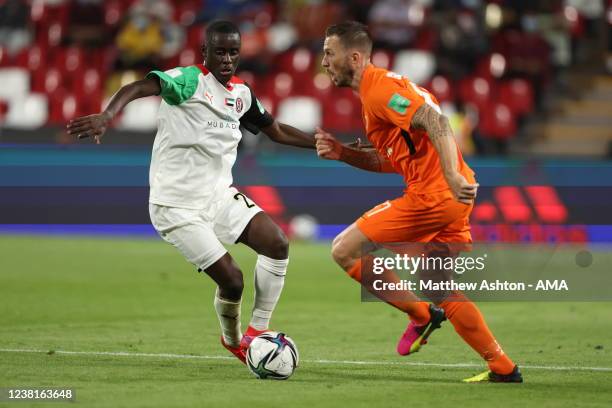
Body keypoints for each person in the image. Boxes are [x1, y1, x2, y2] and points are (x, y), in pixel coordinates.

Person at [66, 20, 314, 364]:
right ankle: (233, 341)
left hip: (218, 196)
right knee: (233, 281)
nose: (227, 59)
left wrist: (325, 144)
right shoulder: (188, 80)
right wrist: (108, 115)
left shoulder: (242, 94)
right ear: (205, 52)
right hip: (175, 206)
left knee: (277, 243)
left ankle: (257, 334)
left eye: (233, 52)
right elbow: (142, 86)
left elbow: (277, 131)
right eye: (220, 51)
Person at [315, 21, 522, 383]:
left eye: (329, 53)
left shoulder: (380, 90)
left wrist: (451, 176)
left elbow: (435, 120)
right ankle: (502, 367)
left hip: (436, 195)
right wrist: (343, 153)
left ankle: (421, 316)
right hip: (454, 195)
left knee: (344, 250)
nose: (323, 62)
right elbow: (391, 160)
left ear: (355, 56)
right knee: (437, 282)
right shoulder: (378, 94)